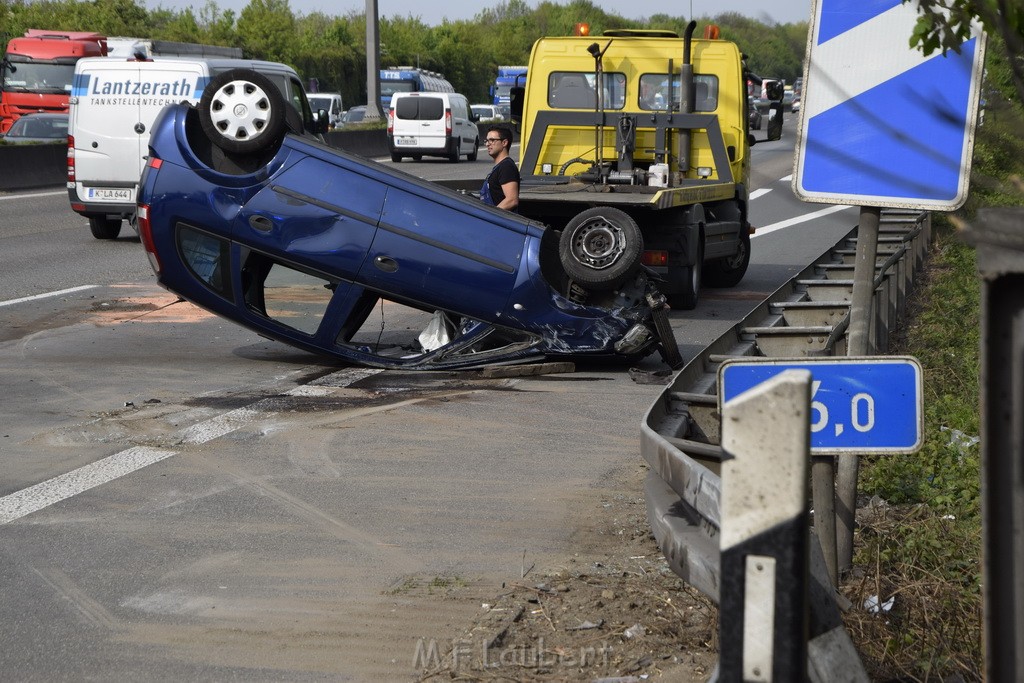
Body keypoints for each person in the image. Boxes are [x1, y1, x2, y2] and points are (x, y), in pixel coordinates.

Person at [480, 125, 520, 212]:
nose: (487, 144)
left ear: (504, 143)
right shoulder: (499, 167)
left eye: (492, 140)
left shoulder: (507, 167)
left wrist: (490, 215)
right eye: (487, 140)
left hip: (502, 223)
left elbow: (512, 200)